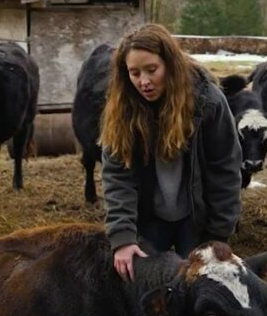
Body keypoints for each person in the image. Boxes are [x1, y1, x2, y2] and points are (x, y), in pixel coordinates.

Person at [100, 23, 242, 282]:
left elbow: (225, 169)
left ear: (170, 64)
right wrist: (122, 237)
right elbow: (117, 175)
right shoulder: (123, 109)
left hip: (196, 219)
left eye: (152, 70)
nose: (144, 81)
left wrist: (218, 235)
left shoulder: (207, 102)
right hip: (149, 217)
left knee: (198, 288)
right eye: (134, 73)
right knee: (149, 289)